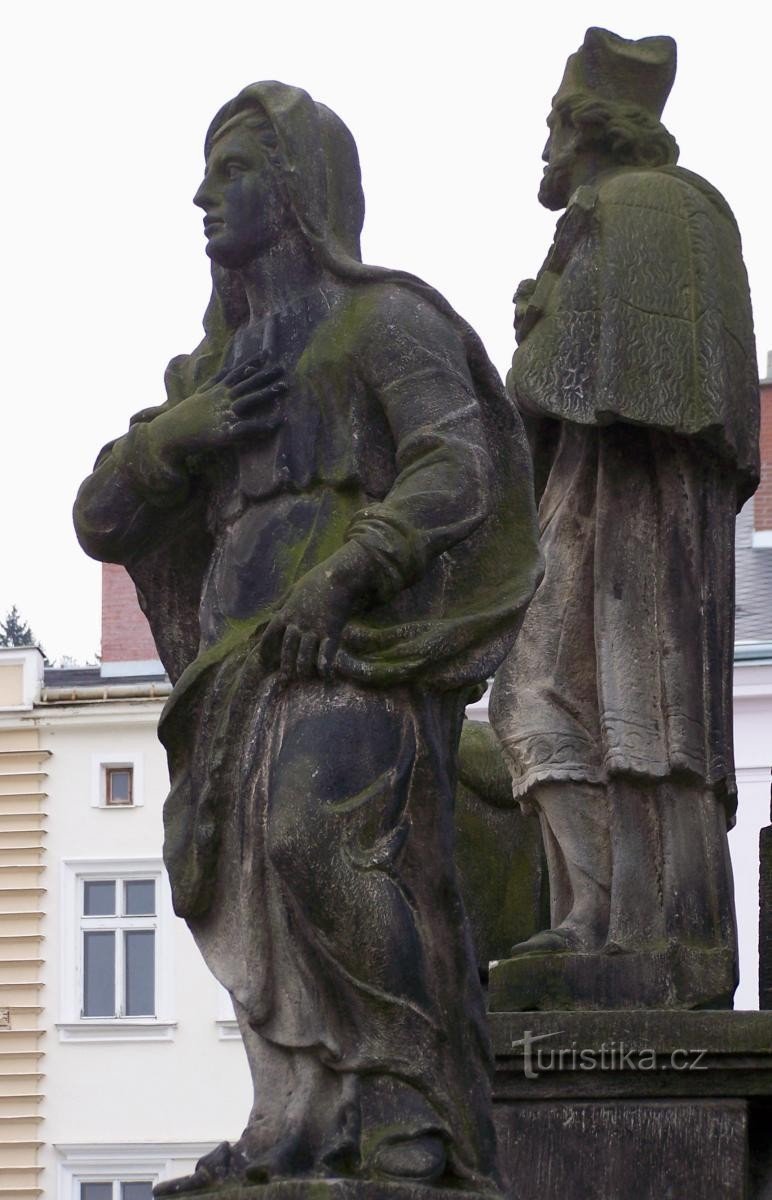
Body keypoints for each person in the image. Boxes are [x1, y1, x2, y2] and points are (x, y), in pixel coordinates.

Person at [74, 82, 541, 1192]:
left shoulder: (386, 320)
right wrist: (171, 442)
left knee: (313, 843)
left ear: (297, 188)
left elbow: (456, 465)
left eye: (231, 169)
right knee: (247, 884)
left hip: (353, 650)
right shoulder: (210, 372)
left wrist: (346, 574)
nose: (203, 194)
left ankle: (410, 1116)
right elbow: (101, 519)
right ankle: (297, 1120)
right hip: (235, 665)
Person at [490, 29, 759, 1008]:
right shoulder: (692, 215)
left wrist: (535, 332)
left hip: (624, 513)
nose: (544, 148)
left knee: (574, 701)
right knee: (614, 706)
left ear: (584, 127)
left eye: (551, 124)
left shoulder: (620, 211)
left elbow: (557, 385)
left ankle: (623, 926)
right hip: (643, 505)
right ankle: (626, 923)